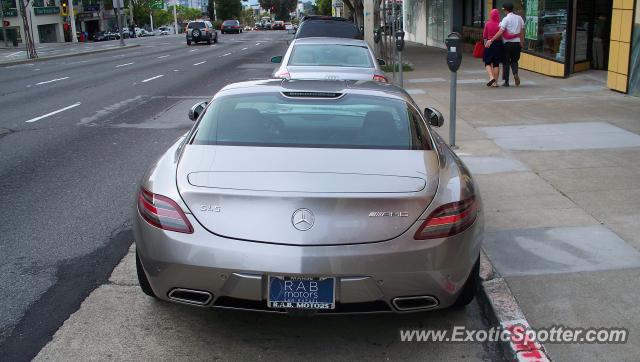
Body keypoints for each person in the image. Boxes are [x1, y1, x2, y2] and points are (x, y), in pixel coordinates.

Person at [485, 2, 524, 87]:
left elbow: (500, 31)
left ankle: (506, 81)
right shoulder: (519, 18)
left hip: (507, 44)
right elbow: (521, 31)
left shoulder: (506, 19)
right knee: (514, 61)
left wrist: (491, 39)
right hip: (517, 43)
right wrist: (521, 42)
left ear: (505, 10)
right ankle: (515, 73)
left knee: (506, 62)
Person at [483, 9, 505, 87]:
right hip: (498, 44)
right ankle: (495, 83)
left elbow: (485, 36)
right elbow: (502, 35)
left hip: (489, 43)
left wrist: (485, 44)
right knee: (496, 63)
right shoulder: (500, 24)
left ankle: (491, 77)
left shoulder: (487, 24)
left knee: (487, 62)